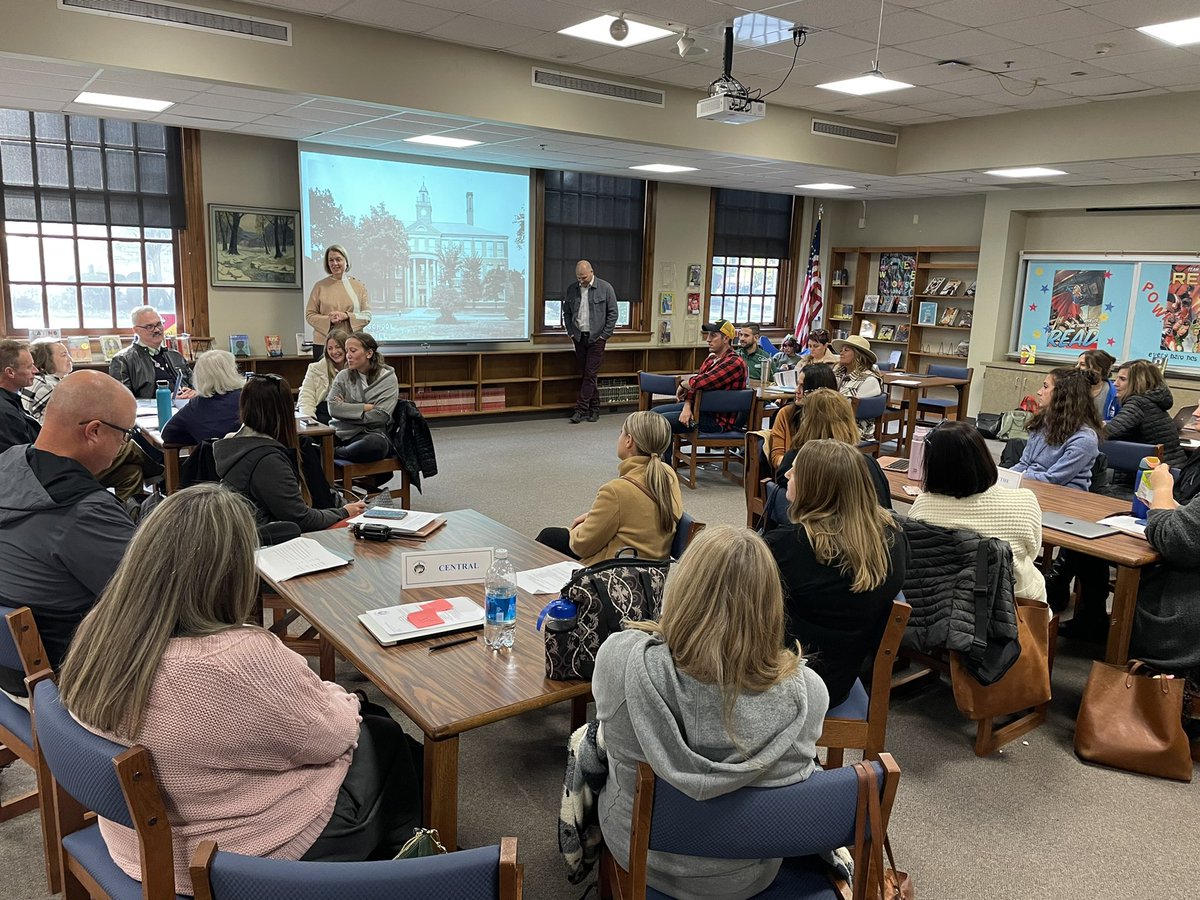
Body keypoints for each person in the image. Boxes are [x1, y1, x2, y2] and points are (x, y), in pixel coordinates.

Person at [57, 484, 421, 894]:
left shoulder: (101, 630)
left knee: (368, 722)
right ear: (233, 569)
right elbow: (331, 736)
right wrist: (340, 697)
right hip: (237, 855)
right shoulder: (236, 657)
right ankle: (406, 869)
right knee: (382, 731)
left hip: (137, 838)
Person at [593, 525, 828, 900]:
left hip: (641, 856)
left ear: (681, 590)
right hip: (750, 870)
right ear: (771, 605)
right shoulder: (809, 694)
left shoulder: (618, 662)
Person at [0, 371, 136, 700]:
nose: (122, 446)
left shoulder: (7, 462)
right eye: (124, 436)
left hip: (10, 665)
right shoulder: (83, 511)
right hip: (69, 675)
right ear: (94, 431)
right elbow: (155, 595)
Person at [765, 440, 907, 707]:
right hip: (843, 675)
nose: (786, 475)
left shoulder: (790, 546)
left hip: (790, 681)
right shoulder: (893, 538)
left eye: (794, 471)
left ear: (814, 486)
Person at [910, 421, 1047, 604]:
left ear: (932, 466)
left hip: (943, 601)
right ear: (984, 457)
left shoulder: (921, 508)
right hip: (1012, 604)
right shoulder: (1024, 502)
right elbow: (1033, 552)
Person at [215, 374, 365, 531]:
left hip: (244, 533)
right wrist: (344, 512)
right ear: (285, 410)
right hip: (263, 540)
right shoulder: (267, 460)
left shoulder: (239, 444)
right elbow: (301, 519)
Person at [535, 411, 682, 565]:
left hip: (615, 573)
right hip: (653, 571)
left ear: (629, 441)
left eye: (621, 433)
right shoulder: (667, 473)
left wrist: (583, 526)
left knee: (549, 536)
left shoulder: (616, 490)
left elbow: (581, 546)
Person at [1128, 464, 1200, 735]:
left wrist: (1161, 489)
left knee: (1137, 585)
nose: (1194, 417)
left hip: (1188, 629)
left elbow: (1175, 540)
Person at [765, 388, 891, 524]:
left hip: (815, 538)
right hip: (868, 536)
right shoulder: (867, 463)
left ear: (807, 421)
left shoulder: (796, 461)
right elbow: (886, 511)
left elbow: (790, 511)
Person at [1009, 367, 1102, 490]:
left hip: (1063, 496)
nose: (1039, 392)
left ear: (1062, 394)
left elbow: (1053, 479)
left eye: (1045, 387)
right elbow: (1024, 464)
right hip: (1030, 486)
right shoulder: (1042, 423)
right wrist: (1002, 477)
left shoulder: (1085, 439)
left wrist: (1015, 479)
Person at [653, 319, 748, 438]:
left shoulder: (734, 362)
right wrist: (687, 406)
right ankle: (660, 456)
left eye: (713, 335)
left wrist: (683, 384)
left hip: (717, 420)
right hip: (698, 409)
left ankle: (661, 457)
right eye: (708, 335)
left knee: (659, 422)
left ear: (726, 339)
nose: (708, 339)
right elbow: (696, 387)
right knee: (652, 415)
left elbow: (702, 382)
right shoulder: (711, 359)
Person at [562, 259, 618, 424]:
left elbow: (613, 313)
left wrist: (604, 336)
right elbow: (566, 313)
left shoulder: (606, 288)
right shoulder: (572, 289)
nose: (581, 280)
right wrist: (571, 333)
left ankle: (580, 410)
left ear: (592, 272)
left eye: (584, 277)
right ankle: (595, 408)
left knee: (590, 374)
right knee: (587, 375)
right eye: (579, 277)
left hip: (597, 338)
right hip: (579, 338)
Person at [328, 331, 398, 462]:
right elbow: (332, 408)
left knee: (376, 445)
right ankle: (338, 453)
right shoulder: (343, 376)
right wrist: (364, 408)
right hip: (341, 432)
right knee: (306, 440)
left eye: (353, 351)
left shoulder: (387, 378)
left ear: (369, 353)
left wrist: (346, 412)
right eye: (347, 351)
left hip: (370, 433)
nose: (348, 355)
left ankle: (335, 453)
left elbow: (380, 416)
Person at [1104, 359, 1185, 470]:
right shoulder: (1151, 401)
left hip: (1155, 474)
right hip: (1173, 468)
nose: (1115, 383)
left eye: (1122, 379)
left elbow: (1108, 432)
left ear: (1138, 382)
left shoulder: (1138, 403)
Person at [108, 305, 195, 400]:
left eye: (159, 324)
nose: (157, 330)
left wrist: (195, 392)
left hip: (186, 407)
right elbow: (123, 400)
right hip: (154, 412)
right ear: (136, 330)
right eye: (150, 326)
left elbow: (197, 385)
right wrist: (164, 399)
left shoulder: (175, 355)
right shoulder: (122, 360)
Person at [160, 349, 243, 445]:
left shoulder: (195, 406)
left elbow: (168, 434)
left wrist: (196, 435)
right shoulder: (249, 398)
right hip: (251, 456)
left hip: (213, 457)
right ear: (232, 372)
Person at [767, 363, 837, 474]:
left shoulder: (837, 416)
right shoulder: (786, 414)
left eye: (803, 386)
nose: (796, 390)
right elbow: (776, 458)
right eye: (797, 385)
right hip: (793, 473)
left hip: (828, 474)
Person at [305, 244, 371, 347]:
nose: (334, 263)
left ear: (346, 261)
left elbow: (366, 315)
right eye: (331, 260)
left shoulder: (358, 286)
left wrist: (347, 316)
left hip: (351, 344)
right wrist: (328, 320)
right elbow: (310, 315)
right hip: (324, 344)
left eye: (338, 259)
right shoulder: (319, 286)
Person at [831, 334, 883, 441]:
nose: (841, 353)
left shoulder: (869, 380)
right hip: (833, 420)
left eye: (846, 350)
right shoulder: (837, 373)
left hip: (854, 428)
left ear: (859, 355)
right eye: (841, 350)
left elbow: (852, 410)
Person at [298, 330, 349, 422]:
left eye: (338, 347)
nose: (334, 352)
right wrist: (309, 419)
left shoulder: (356, 368)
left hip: (346, 412)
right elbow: (306, 396)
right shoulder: (315, 368)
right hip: (321, 412)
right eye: (330, 348)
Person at [0, 339, 40, 451]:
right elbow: (21, 460)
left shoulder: (10, 401)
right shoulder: (5, 412)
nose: (35, 370)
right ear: (10, 372)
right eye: (29, 367)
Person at [21, 339, 71, 423]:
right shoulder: (48, 386)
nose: (70, 359)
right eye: (64, 355)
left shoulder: (36, 378)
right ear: (47, 360)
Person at [1077, 349, 1119, 422]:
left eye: (1082, 364)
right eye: (1077, 364)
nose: (1076, 367)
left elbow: (1119, 422)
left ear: (1098, 369)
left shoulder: (1115, 393)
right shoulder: (1071, 388)